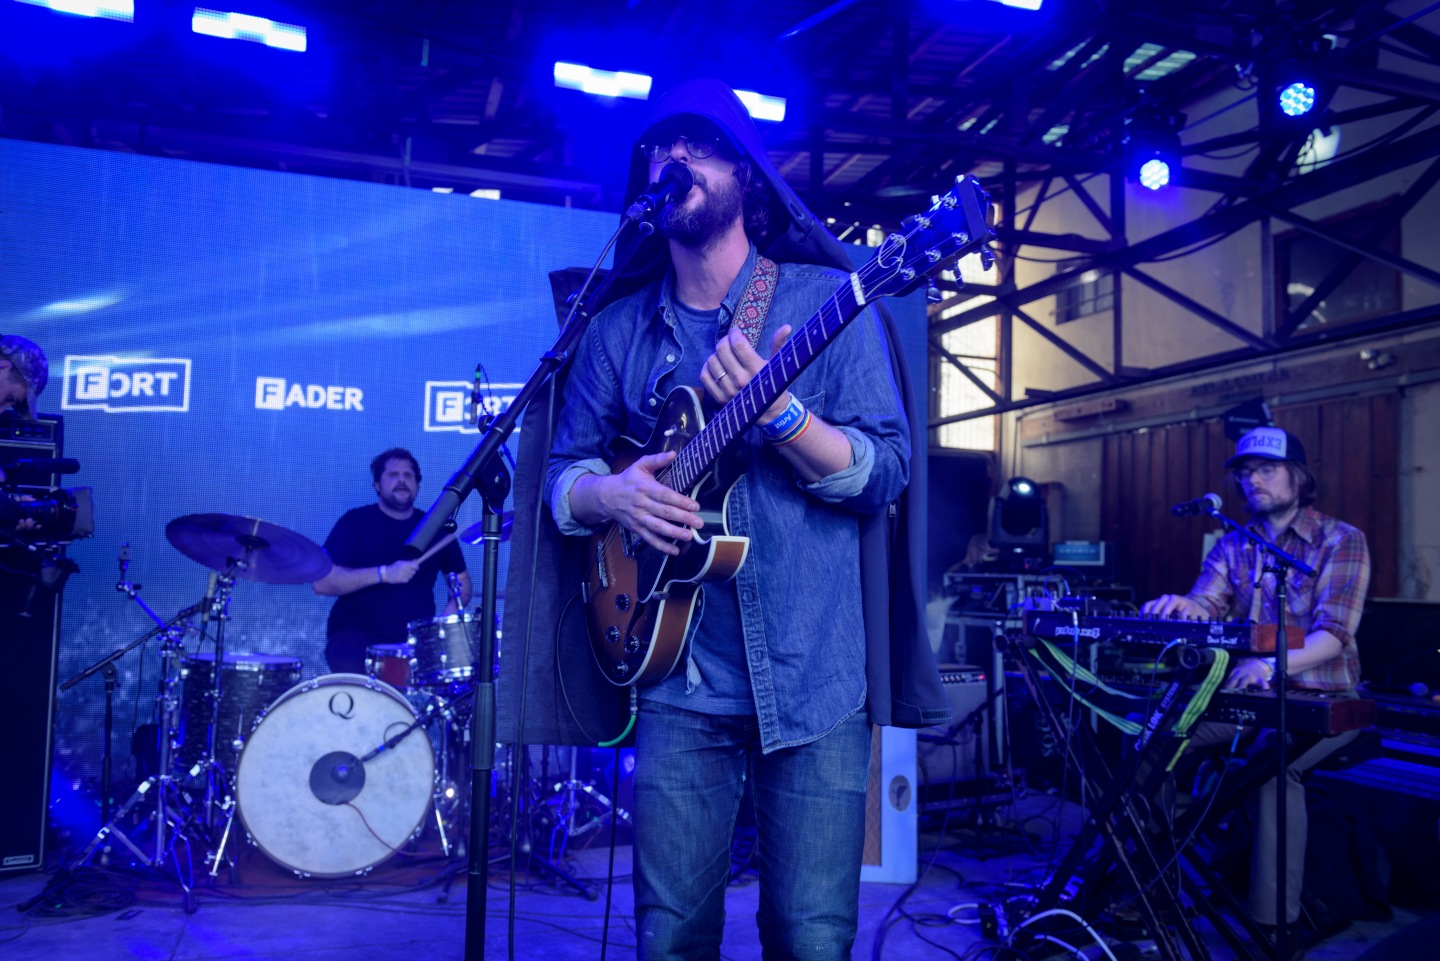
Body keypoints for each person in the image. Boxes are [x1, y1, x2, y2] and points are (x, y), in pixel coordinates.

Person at [543, 78, 930, 959]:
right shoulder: (614, 332)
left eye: (700, 146)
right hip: (675, 675)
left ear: (747, 176)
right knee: (670, 936)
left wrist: (785, 419)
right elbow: (561, 477)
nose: (673, 160)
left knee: (811, 937)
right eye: (658, 148)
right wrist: (612, 494)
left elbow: (887, 472)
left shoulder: (825, 301)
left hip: (815, 675)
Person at [1141, 425, 1370, 937]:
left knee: (1271, 768)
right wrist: (1185, 606)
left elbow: (1333, 634)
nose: (1253, 481)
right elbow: (1208, 602)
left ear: (1299, 478)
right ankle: (1152, 891)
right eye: (1246, 473)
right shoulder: (1233, 545)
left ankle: (1274, 926)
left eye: (1267, 470)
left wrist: (1270, 666)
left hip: (1324, 697)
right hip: (1251, 695)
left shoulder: (1341, 540)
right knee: (1154, 741)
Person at [312, 448, 471, 674]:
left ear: (417, 484)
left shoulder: (434, 528)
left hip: (416, 642)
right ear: (377, 484)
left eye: (408, 476)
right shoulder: (354, 522)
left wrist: (447, 619)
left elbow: (461, 581)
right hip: (355, 639)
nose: (402, 481)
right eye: (393, 475)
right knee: (348, 660)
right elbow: (321, 583)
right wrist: (384, 574)